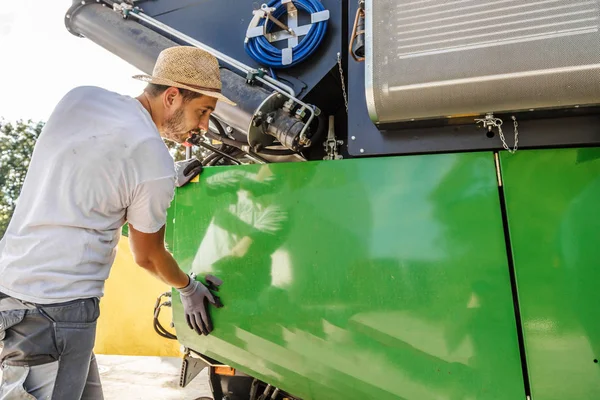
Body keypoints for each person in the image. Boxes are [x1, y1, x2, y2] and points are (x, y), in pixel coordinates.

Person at [0, 45, 235, 399]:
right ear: (172, 96)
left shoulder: (80, 99)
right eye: (202, 111)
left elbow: (94, 167)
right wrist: (188, 288)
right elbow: (148, 257)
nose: (203, 126)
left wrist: (166, 177)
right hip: (59, 311)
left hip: (12, 289)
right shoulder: (151, 161)